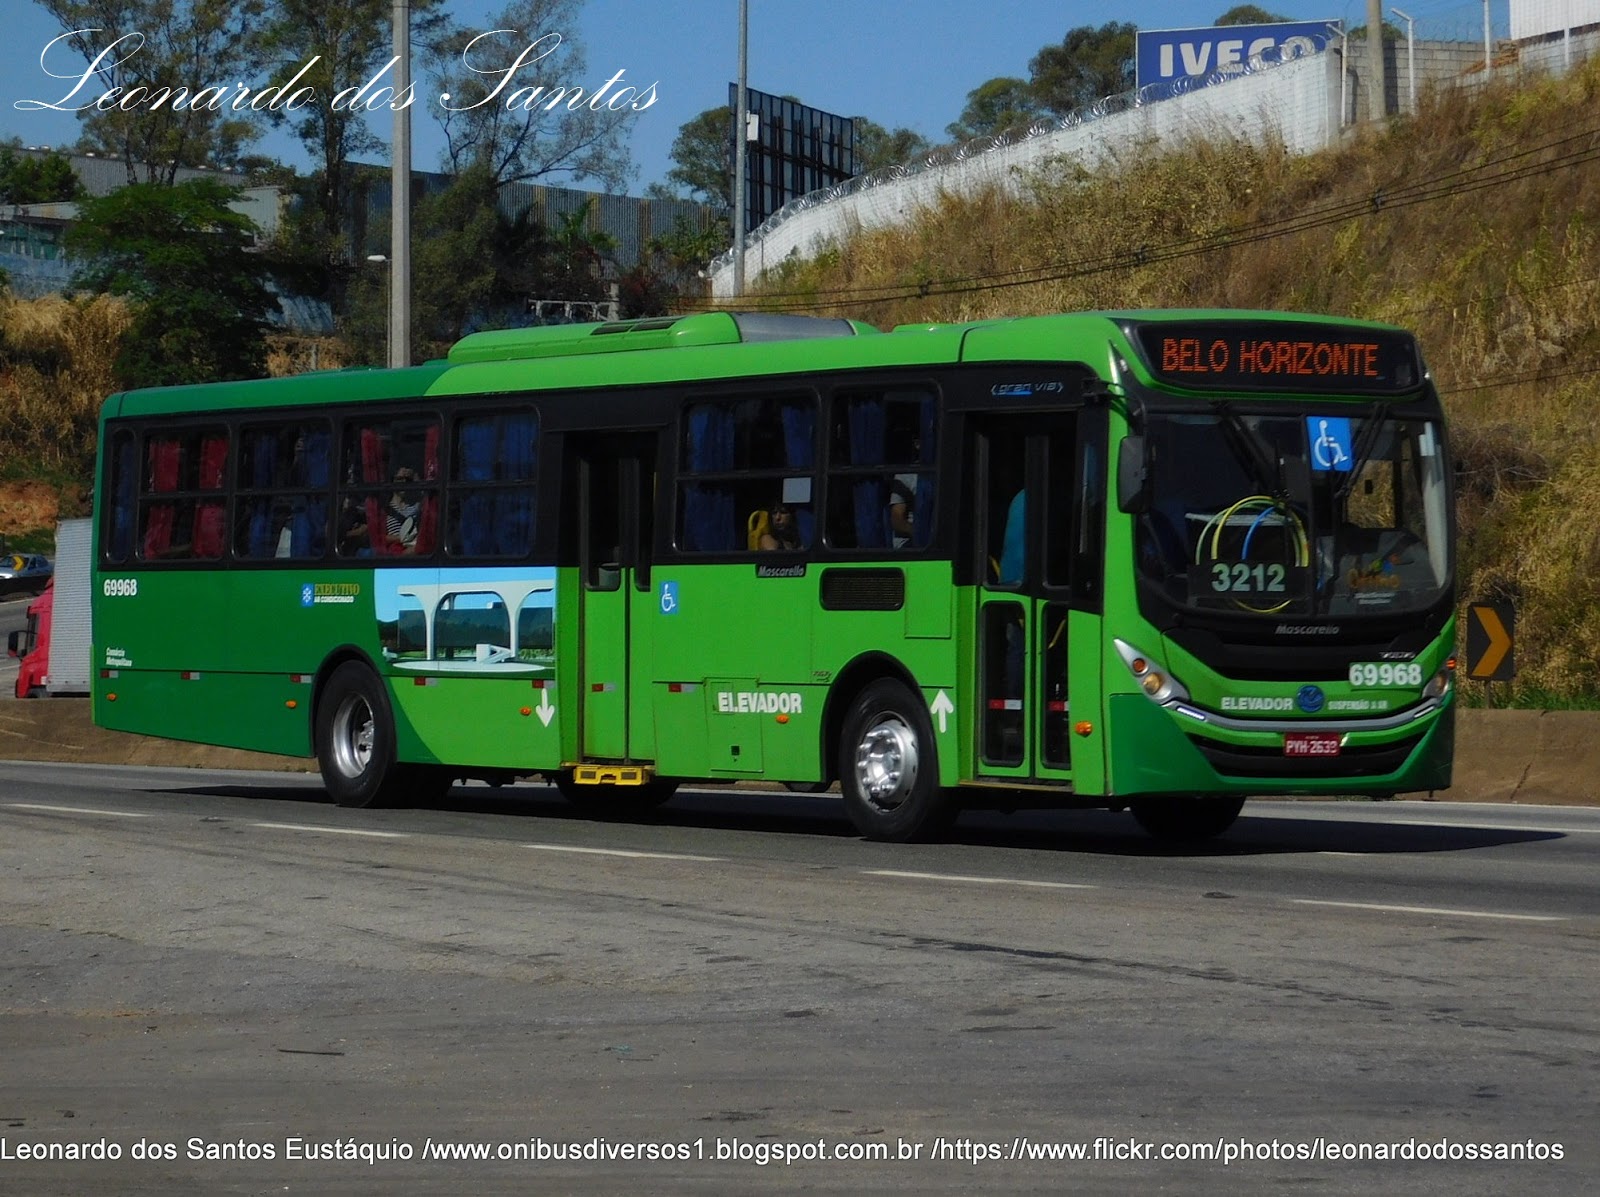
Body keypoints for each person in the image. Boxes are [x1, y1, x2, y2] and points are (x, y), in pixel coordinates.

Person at [386, 467, 420, 549]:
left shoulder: (416, 506)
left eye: (407, 480)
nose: (404, 482)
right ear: (392, 481)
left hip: (415, 548)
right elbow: (379, 538)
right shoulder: (385, 510)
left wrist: (414, 476)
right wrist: (402, 538)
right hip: (396, 550)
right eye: (400, 479)